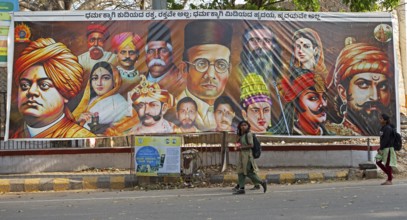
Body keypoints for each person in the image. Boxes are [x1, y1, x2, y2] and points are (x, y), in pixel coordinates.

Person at [11, 38, 95, 138]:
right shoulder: (13, 137)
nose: (31, 92)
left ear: (65, 93)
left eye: (44, 85)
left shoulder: (80, 137)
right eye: (25, 85)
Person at [327, 42, 393, 135]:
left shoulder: (390, 135)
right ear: (342, 92)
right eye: (363, 84)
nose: (375, 97)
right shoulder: (333, 135)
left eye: (382, 86)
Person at [177, 20, 233, 131]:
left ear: (229, 70)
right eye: (201, 64)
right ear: (184, 69)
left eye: (221, 65)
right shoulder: (172, 110)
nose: (211, 75)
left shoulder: (232, 113)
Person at [73, 61, 129, 135]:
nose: (99, 83)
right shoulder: (92, 99)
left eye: (105, 78)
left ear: (115, 80)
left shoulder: (121, 105)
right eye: (95, 78)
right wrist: (78, 119)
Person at [271, 68, 332, 135]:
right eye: (313, 98)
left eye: (324, 97)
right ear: (297, 103)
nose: (324, 104)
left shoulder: (331, 136)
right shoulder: (282, 136)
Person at [143, 22, 185, 97]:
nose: (156, 56)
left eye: (163, 51)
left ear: (172, 55)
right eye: (151, 51)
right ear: (146, 56)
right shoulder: (138, 80)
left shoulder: (182, 82)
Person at [233, 120, 267, 195]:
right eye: (242, 125)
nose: (243, 126)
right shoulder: (242, 135)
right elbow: (237, 142)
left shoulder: (249, 134)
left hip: (247, 156)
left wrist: (241, 148)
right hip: (242, 156)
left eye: (245, 125)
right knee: (240, 172)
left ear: (248, 126)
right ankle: (241, 188)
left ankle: (262, 182)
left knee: (248, 172)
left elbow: (251, 145)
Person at [111, 32, 142, 97]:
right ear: (117, 55)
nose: (127, 56)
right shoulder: (110, 76)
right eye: (123, 52)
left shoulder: (142, 77)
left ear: (137, 55)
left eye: (131, 52)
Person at [375, 113, 397, 185]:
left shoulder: (387, 128)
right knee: (378, 162)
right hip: (384, 148)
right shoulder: (383, 127)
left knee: (387, 164)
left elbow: (386, 139)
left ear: (385, 120)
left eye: (381, 118)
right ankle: (389, 174)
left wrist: (381, 149)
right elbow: (383, 139)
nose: (380, 119)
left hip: (388, 148)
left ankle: (389, 180)